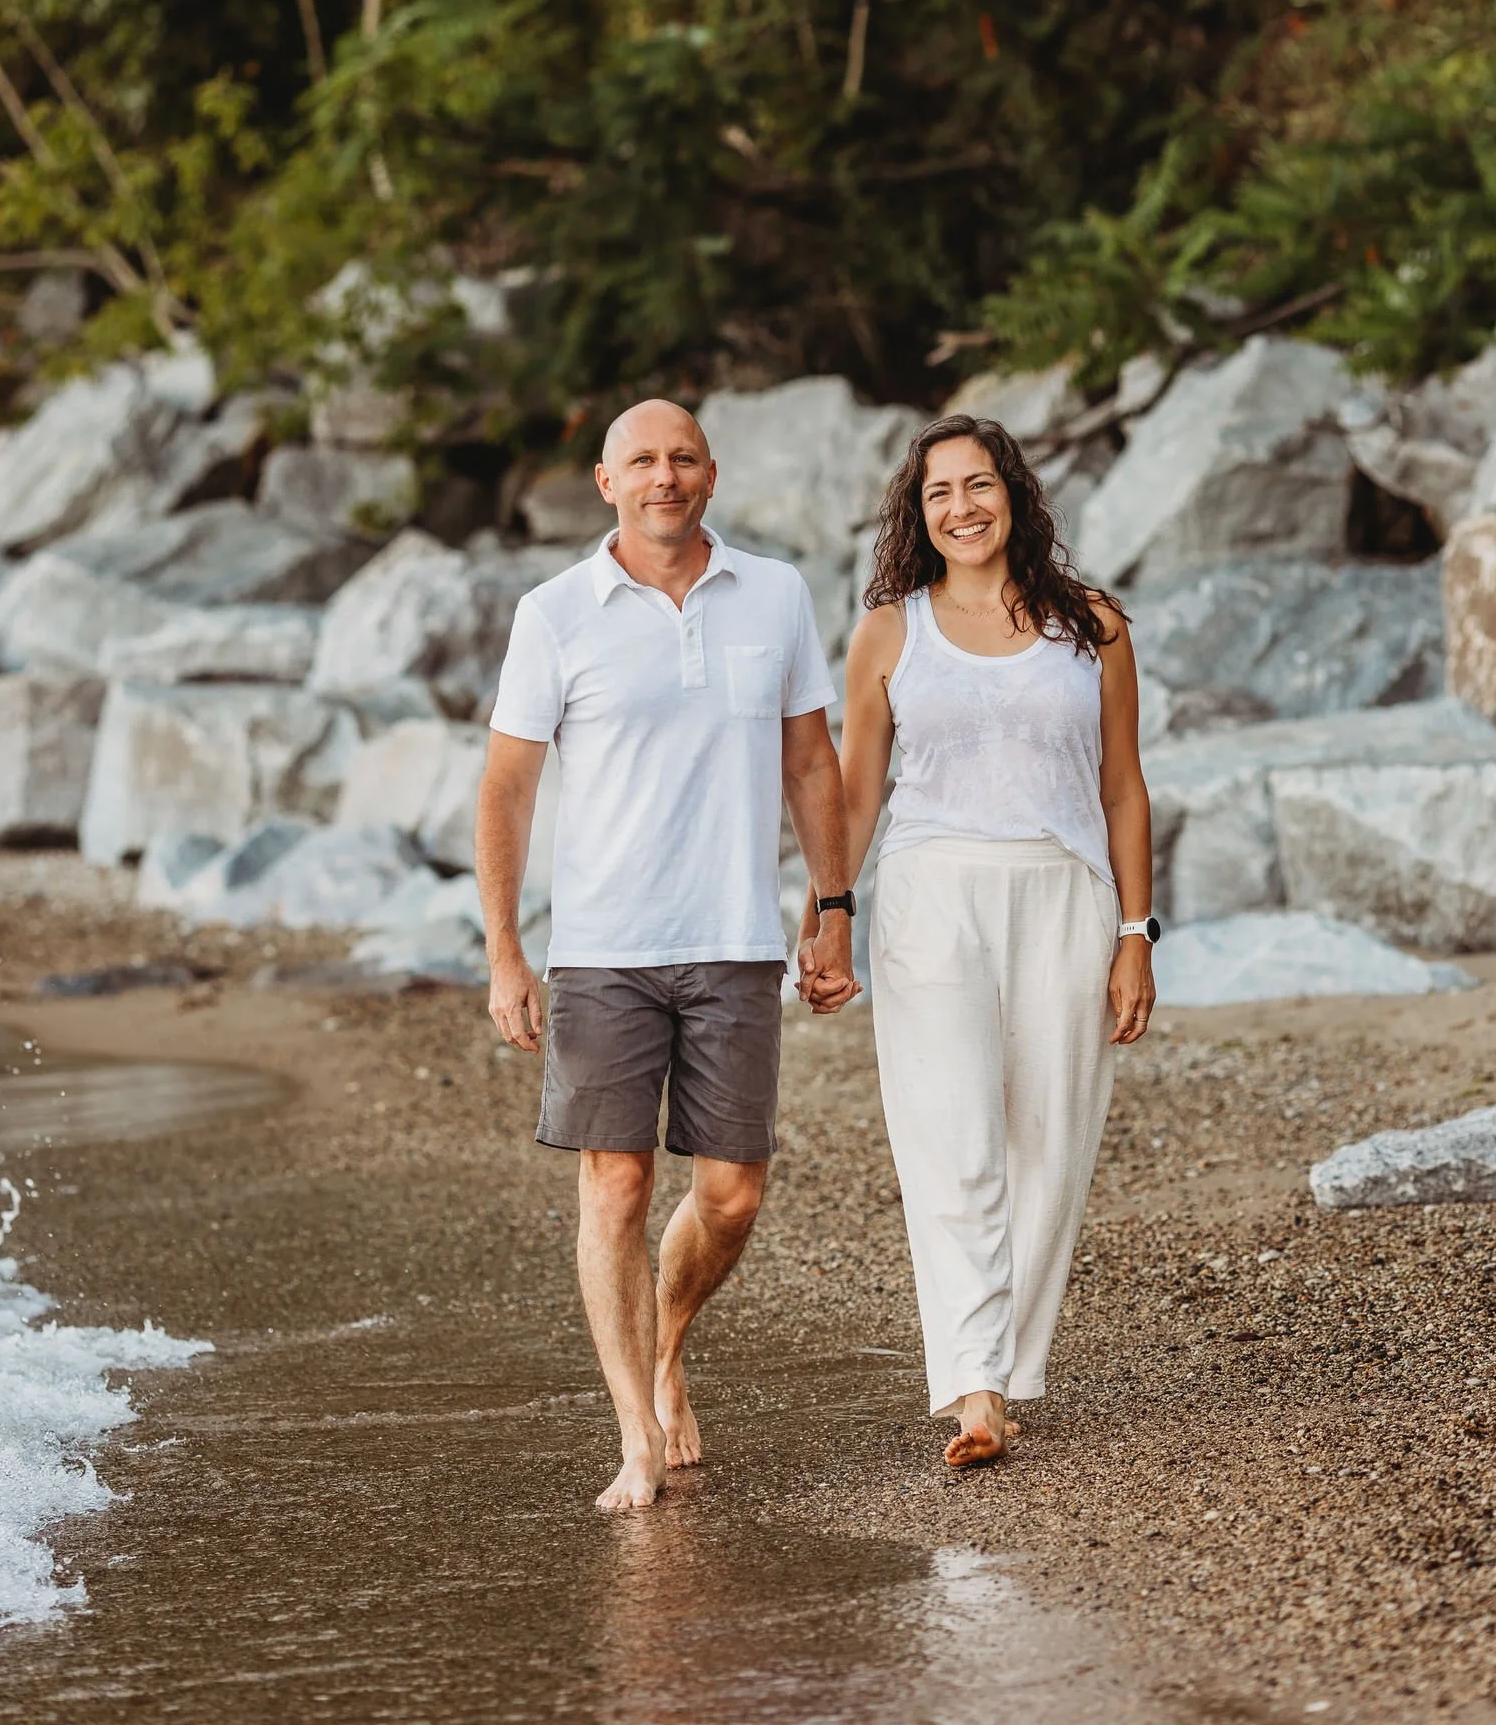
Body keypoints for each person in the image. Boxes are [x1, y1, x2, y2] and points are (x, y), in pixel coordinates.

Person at [476, 399, 858, 1512]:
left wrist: (832, 907)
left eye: (682, 458)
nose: (663, 476)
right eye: (641, 459)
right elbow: (505, 787)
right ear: (605, 481)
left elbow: (812, 762)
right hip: (602, 952)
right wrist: (507, 952)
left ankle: (665, 1343)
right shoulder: (554, 614)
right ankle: (636, 1434)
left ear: (711, 474)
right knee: (617, 1186)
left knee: (732, 1195)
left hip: (736, 941)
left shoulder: (775, 595)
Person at [806, 413, 1155, 1471]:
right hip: (930, 896)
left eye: (977, 485)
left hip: (1064, 895)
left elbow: (1122, 787)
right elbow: (857, 793)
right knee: (948, 1137)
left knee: (1047, 1143)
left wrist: (1136, 933)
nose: (960, 507)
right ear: (917, 514)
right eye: (937, 493)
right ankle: (976, 1392)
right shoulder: (888, 631)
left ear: (1013, 493)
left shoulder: (1090, 625)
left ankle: (1012, 1361)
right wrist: (830, 914)